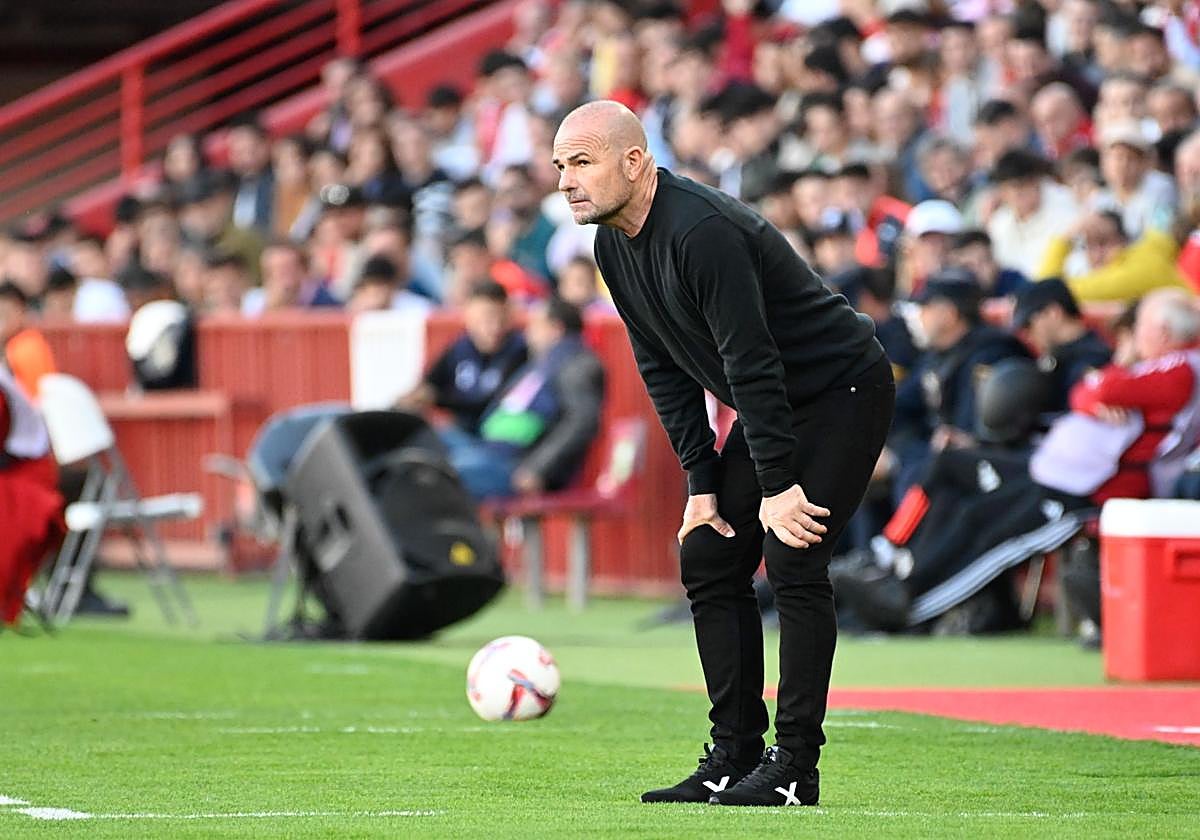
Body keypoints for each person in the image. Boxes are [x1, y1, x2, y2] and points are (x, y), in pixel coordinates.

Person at [554, 100, 894, 806]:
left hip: (842, 389)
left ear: (635, 162)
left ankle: (795, 766)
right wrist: (702, 485)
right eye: (560, 166)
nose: (566, 181)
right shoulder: (611, 246)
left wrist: (776, 485)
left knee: (795, 555)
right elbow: (663, 366)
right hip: (774, 401)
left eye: (581, 162)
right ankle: (733, 756)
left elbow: (753, 363)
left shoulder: (700, 230)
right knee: (709, 551)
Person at [442, 296, 604, 499]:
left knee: (437, 474)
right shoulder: (542, 363)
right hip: (490, 449)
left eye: (535, 325)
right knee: (426, 439)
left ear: (556, 329)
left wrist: (537, 469)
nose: (528, 333)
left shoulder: (576, 365)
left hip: (516, 465)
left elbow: (582, 421)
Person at [397, 280, 529, 434]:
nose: (494, 327)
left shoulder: (520, 351)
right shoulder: (460, 347)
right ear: (469, 318)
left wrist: (437, 400)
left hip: (495, 434)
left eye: (499, 318)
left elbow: (491, 404)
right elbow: (430, 382)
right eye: (486, 319)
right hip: (461, 430)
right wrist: (414, 397)